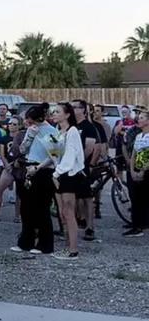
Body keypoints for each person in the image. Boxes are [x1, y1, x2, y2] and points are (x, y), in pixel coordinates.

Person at [12, 103, 57, 255]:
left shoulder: (51, 131)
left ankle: (45, 244)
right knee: (26, 208)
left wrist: (39, 167)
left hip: (43, 170)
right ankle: (25, 241)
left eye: (31, 121)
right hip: (29, 167)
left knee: (42, 209)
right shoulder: (30, 131)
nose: (28, 124)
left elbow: (55, 156)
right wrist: (29, 137)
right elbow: (22, 150)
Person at [51, 103, 86, 260]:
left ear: (67, 115)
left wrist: (57, 173)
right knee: (62, 212)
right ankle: (67, 245)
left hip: (69, 174)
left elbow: (70, 156)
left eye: (58, 111)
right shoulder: (58, 132)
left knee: (69, 211)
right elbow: (56, 154)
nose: (54, 114)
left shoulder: (72, 132)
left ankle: (73, 249)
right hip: (59, 173)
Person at [71, 99, 100, 241]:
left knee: (87, 197)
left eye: (75, 107)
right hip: (69, 167)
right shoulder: (70, 125)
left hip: (82, 167)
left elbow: (89, 148)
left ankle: (90, 227)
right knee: (73, 198)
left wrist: (77, 161)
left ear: (83, 109)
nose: (73, 110)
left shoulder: (88, 127)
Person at [0, 116, 22, 222]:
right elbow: (2, 153)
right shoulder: (4, 138)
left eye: (14, 124)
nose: (11, 126)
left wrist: (15, 162)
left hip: (19, 167)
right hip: (8, 166)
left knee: (19, 193)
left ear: (19, 126)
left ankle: (17, 216)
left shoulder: (22, 137)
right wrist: (6, 165)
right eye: (10, 123)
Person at [126, 110, 149, 237]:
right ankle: (136, 225)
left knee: (145, 198)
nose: (138, 120)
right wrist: (133, 170)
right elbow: (134, 154)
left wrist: (143, 171)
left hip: (146, 171)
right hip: (136, 169)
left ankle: (143, 222)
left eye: (142, 118)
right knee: (136, 198)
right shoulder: (138, 136)